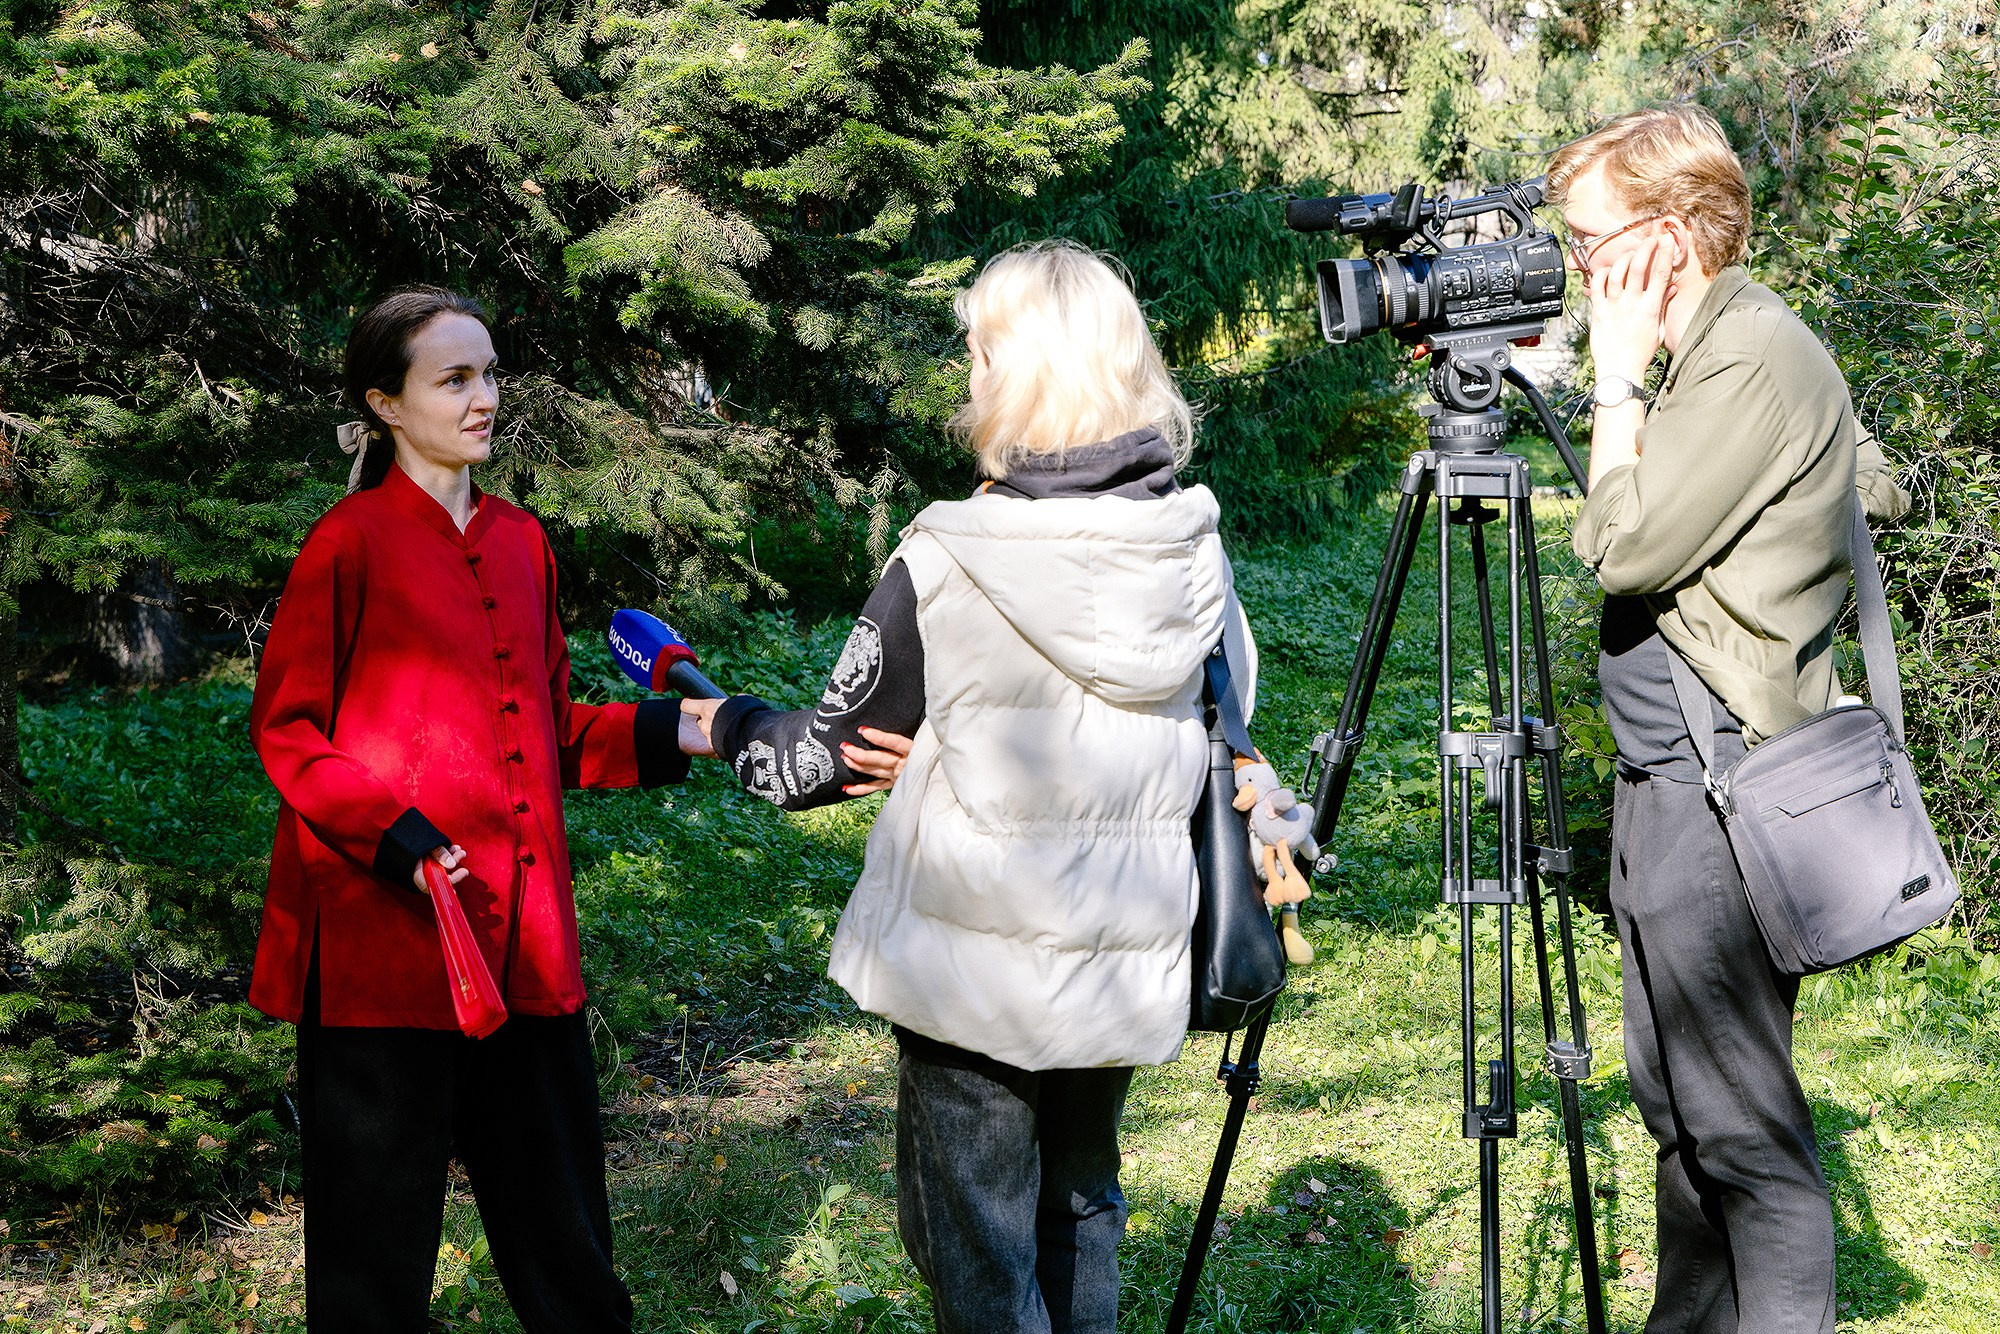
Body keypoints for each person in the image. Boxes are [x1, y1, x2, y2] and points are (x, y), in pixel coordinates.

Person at [682, 240, 1256, 1334]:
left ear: (1020, 371)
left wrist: (724, 724)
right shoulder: (1192, 545)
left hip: (971, 969)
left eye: (979, 353)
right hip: (1119, 950)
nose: (969, 378)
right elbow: (1222, 714)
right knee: (1080, 1205)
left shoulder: (948, 552)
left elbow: (817, 758)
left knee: (975, 1248)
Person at [247, 286, 700, 1333]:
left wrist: (693, 728)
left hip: (523, 946)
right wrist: (392, 834)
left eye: (489, 373)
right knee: (371, 1266)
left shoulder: (520, 541)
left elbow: (549, 726)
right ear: (386, 404)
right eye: (453, 378)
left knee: (569, 1249)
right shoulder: (347, 542)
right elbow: (288, 730)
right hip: (378, 952)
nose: (483, 396)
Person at [1547, 106, 1909, 1333]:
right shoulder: (1712, 352)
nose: (1578, 270)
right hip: (1670, 786)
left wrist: (1609, 382)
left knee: (1745, 1135)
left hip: (1723, 788)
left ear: (1667, 236)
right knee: (1678, 1110)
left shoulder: (1749, 350)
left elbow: (1620, 542)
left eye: (1590, 242)